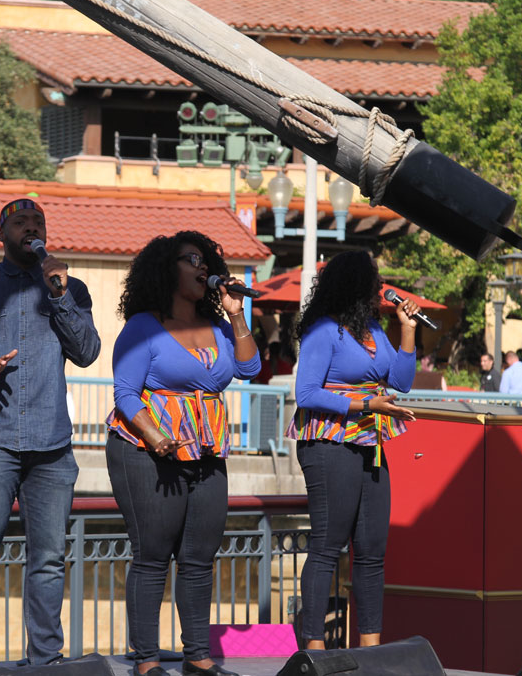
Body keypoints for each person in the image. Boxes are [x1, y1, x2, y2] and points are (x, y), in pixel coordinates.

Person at [0, 198, 101, 672]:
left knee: (49, 559)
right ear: (1, 232)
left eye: (39, 222)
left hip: (52, 445)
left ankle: (45, 661)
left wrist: (59, 294)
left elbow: (88, 351)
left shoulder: (71, 287)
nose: (32, 228)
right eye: (21, 222)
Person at [106, 231, 260, 676]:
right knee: (153, 554)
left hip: (207, 451)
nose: (202, 266)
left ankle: (197, 657)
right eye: (190, 259)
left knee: (199, 556)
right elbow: (126, 393)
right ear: (166, 270)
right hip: (147, 450)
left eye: (205, 259)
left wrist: (237, 316)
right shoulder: (144, 326)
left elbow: (250, 368)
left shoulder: (217, 326)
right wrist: (155, 436)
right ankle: (147, 661)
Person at [285, 250, 418, 649]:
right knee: (328, 544)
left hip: (369, 440)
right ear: (354, 284)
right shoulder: (324, 331)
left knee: (372, 547)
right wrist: (364, 404)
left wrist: (407, 329)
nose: (379, 286)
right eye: (373, 279)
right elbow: (305, 392)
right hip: (329, 440)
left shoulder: (374, 330)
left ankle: (370, 647)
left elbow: (401, 380)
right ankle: (315, 646)